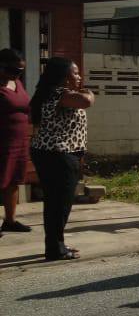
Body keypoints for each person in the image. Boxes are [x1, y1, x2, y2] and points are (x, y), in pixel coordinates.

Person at [29, 57, 93, 260]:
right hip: (58, 154)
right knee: (60, 203)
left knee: (55, 202)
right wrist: (88, 91)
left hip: (51, 153)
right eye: (74, 73)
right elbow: (87, 101)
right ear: (64, 78)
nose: (79, 76)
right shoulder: (61, 94)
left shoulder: (48, 93)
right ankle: (55, 249)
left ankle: (56, 244)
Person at [0, 49, 32, 235]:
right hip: (2, 140)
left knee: (13, 180)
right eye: (13, 70)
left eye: (20, 71)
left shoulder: (17, 82)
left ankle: (10, 221)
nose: (17, 74)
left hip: (19, 141)